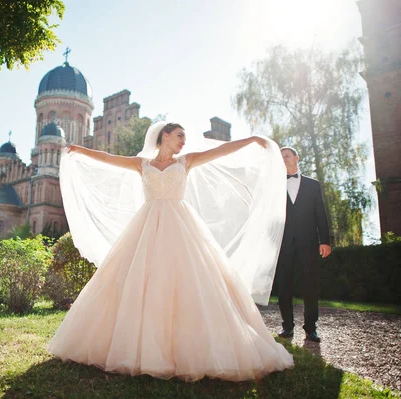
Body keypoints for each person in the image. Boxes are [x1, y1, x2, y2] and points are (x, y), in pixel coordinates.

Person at [47, 122, 293, 382]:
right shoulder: (141, 164)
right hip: (145, 229)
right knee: (134, 281)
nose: (183, 141)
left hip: (181, 227)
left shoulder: (186, 161)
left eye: (184, 137)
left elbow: (222, 151)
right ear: (164, 136)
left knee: (192, 283)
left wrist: (252, 140)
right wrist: (80, 151)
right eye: (179, 136)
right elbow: (108, 159)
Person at [276, 147, 331, 343]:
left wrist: (324, 240)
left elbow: (321, 214)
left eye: (287, 155)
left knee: (310, 285)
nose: (284, 159)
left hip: (308, 242)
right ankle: (287, 326)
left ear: (297, 157)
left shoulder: (313, 185)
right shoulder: (273, 187)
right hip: (283, 243)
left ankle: (311, 328)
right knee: (284, 285)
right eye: (280, 157)